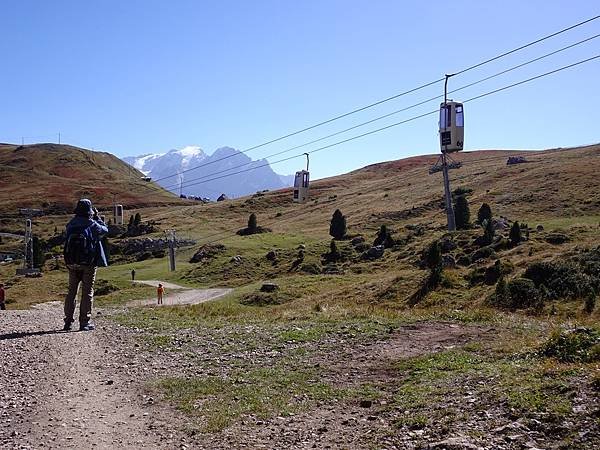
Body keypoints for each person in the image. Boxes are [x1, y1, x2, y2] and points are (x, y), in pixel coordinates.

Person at [63, 199, 108, 331]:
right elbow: (105, 230)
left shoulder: (70, 224)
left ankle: (68, 321)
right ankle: (84, 322)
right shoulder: (92, 224)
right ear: (90, 211)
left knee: (72, 291)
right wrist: (97, 217)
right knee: (87, 291)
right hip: (88, 263)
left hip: (72, 262)